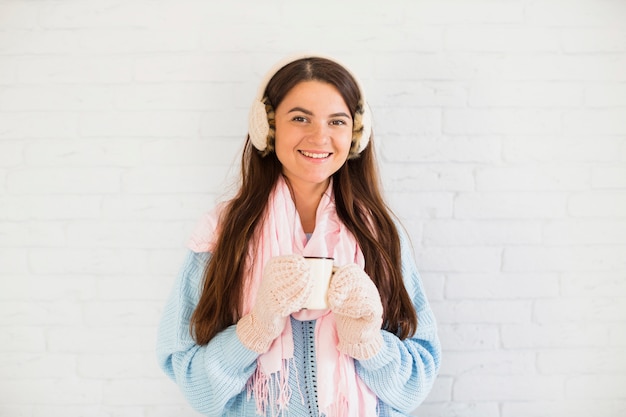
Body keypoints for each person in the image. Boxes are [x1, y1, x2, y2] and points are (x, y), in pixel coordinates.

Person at [156, 54, 441, 417]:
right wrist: (255, 330)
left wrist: (369, 342)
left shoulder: (380, 235)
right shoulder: (222, 232)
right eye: (300, 118)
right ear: (268, 127)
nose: (319, 136)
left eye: (337, 121)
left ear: (355, 135)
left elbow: (416, 383)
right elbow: (194, 382)